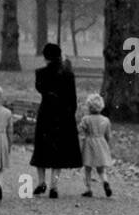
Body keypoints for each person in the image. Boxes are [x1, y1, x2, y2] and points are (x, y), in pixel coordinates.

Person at [30, 43, 81, 197]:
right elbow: (73, 98)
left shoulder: (41, 73)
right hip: (63, 114)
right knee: (58, 152)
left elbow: (41, 89)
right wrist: (71, 114)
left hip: (46, 112)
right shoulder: (68, 74)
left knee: (41, 149)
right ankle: (54, 185)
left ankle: (41, 182)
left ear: (45, 57)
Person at [78, 93, 114, 197]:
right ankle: (105, 182)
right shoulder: (106, 120)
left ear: (89, 107)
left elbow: (81, 130)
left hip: (89, 144)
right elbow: (108, 135)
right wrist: (106, 143)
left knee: (87, 168)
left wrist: (82, 138)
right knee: (101, 169)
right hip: (101, 144)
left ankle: (88, 189)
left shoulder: (86, 119)